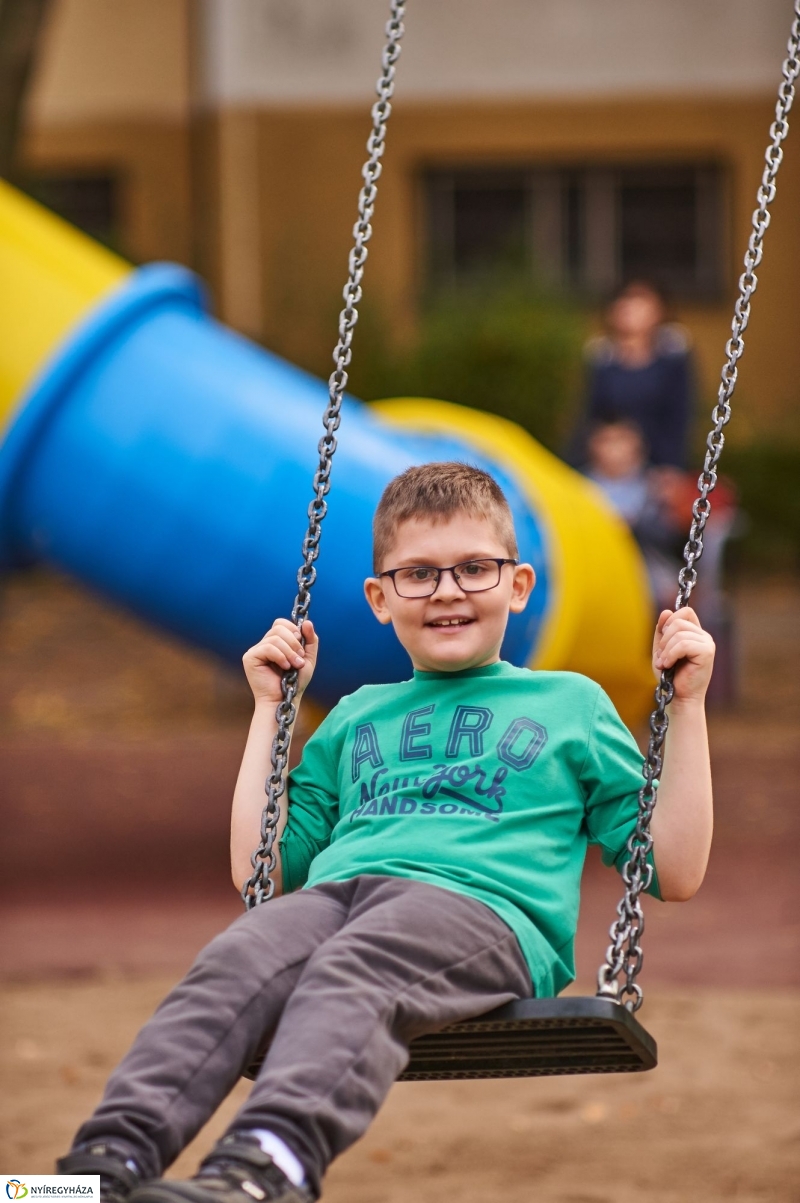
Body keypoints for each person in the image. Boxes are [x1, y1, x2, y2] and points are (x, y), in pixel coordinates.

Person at [56, 463, 715, 1203]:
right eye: (418, 574)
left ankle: (267, 1164)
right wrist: (269, 710)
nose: (447, 590)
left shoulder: (569, 703)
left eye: (475, 568)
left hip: (480, 912)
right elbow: (260, 875)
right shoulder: (355, 714)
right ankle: (102, 1167)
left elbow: (674, 867)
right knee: (235, 959)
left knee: (354, 963)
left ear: (518, 584)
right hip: (340, 895)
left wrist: (685, 706)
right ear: (379, 597)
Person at [570, 280, 695, 471]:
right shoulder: (602, 358)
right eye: (624, 300)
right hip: (607, 464)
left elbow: (680, 416)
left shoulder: (673, 357)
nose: (628, 307)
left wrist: (672, 466)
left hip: (657, 465)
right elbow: (590, 416)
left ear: (659, 310)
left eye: (639, 301)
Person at [583, 418, 686, 611]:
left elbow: (669, 537)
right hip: (599, 569)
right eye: (607, 440)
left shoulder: (655, 485)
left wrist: (637, 523)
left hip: (646, 568)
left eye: (621, 440)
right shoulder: (579, 485)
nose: (614, 449)